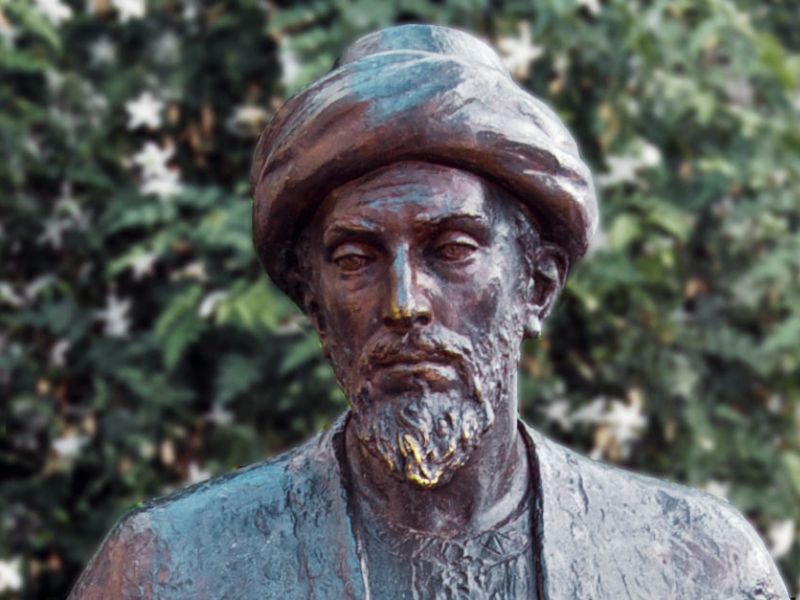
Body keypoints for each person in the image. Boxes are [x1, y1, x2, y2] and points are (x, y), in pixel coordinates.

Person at [69, 24, 788, 599]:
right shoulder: (167, 571)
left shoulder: (699, 569)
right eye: (355, 259)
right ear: (315, 306)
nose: (405, 303)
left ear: (536, 285)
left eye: (452, 248)